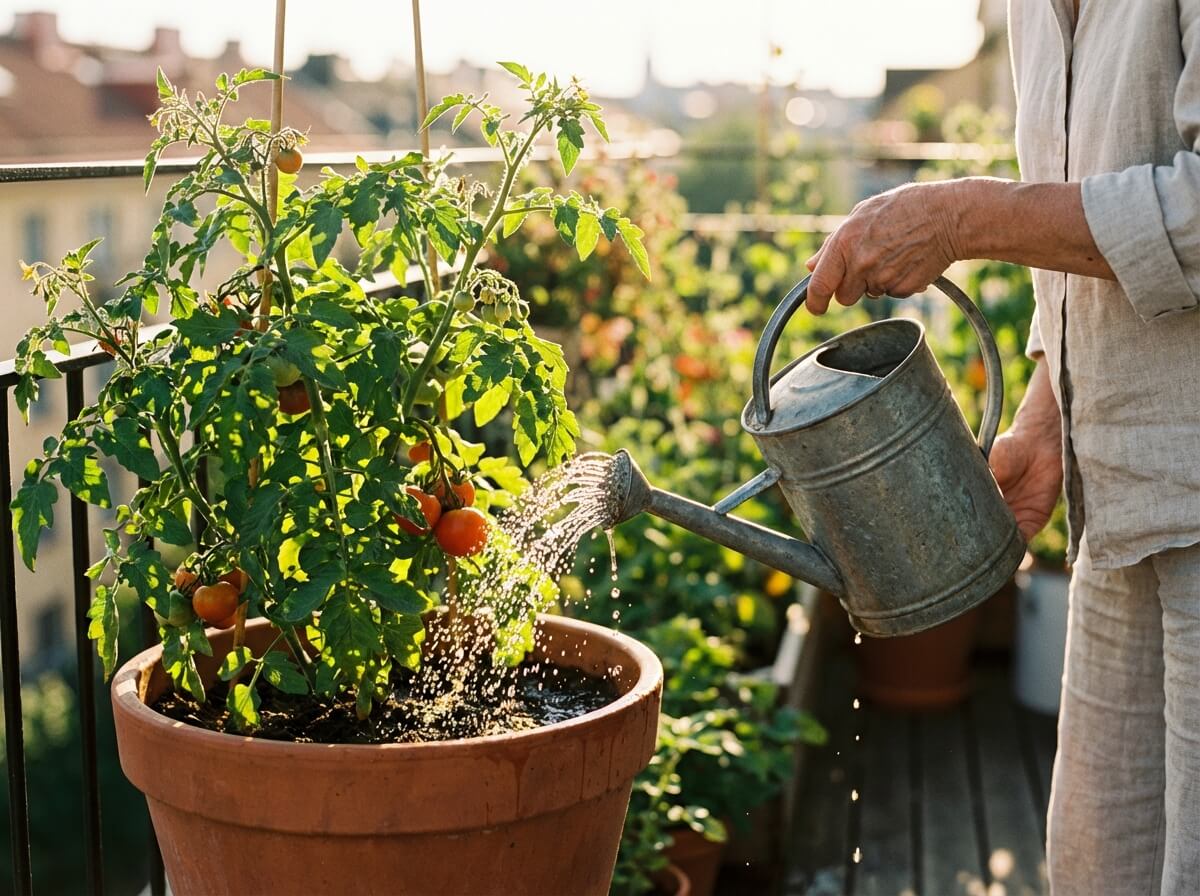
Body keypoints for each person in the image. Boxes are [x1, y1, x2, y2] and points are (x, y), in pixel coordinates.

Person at [802, 1, 1200, 893]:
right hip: (1122, 497)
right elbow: (1095, 218)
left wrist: (963, 219)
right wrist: (1047, 419)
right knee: (1100, 862)